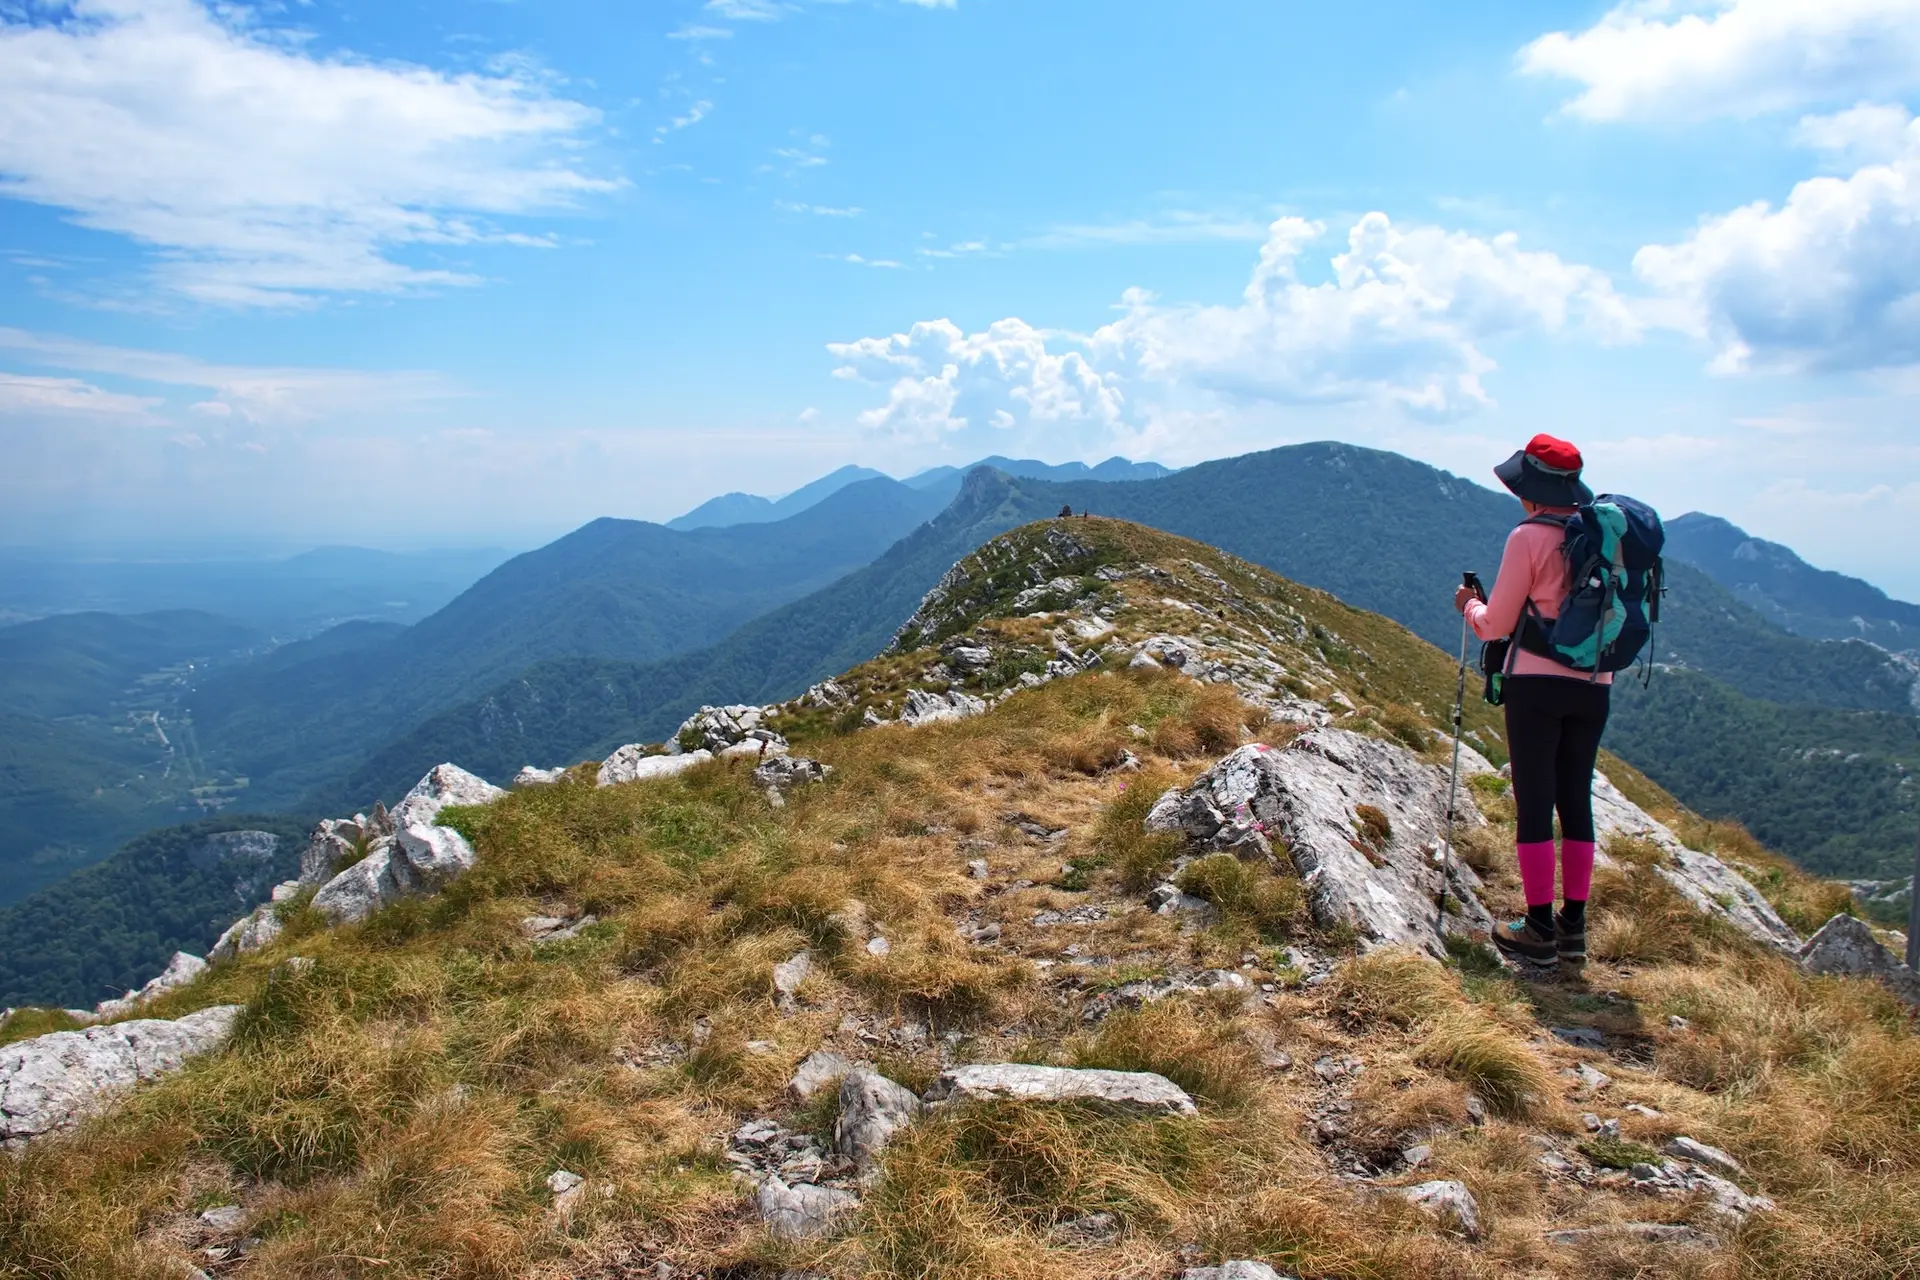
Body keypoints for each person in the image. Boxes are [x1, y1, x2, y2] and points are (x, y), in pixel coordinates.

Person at [1454, 433, 1607, 977]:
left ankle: (1538, 928)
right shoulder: (1601, 536)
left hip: (1536, 686)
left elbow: (1496, 623)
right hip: (1595, 683)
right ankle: (1574, 926)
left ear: (1532, 489)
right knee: (1576, 799)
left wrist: (1470, 606)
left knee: (1536, 801)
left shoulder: (1528, 537)